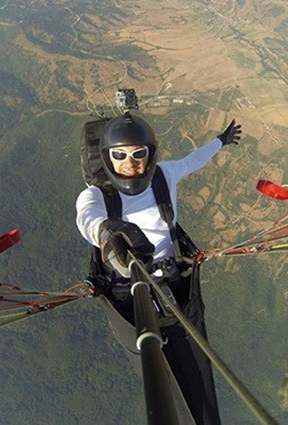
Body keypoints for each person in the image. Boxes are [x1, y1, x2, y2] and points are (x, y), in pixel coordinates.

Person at [76, 112, 242, 425]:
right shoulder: (97, 196)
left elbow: (194, 160)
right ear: (107, 158)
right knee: (156, 368)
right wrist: (107, 231)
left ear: (151, 155)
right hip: (129, 294)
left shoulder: (164, 176)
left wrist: (220, 141)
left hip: (173, 281)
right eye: (119, 155)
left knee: (196, 374)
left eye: (139, 154)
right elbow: (86, 217)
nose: (130, 162)